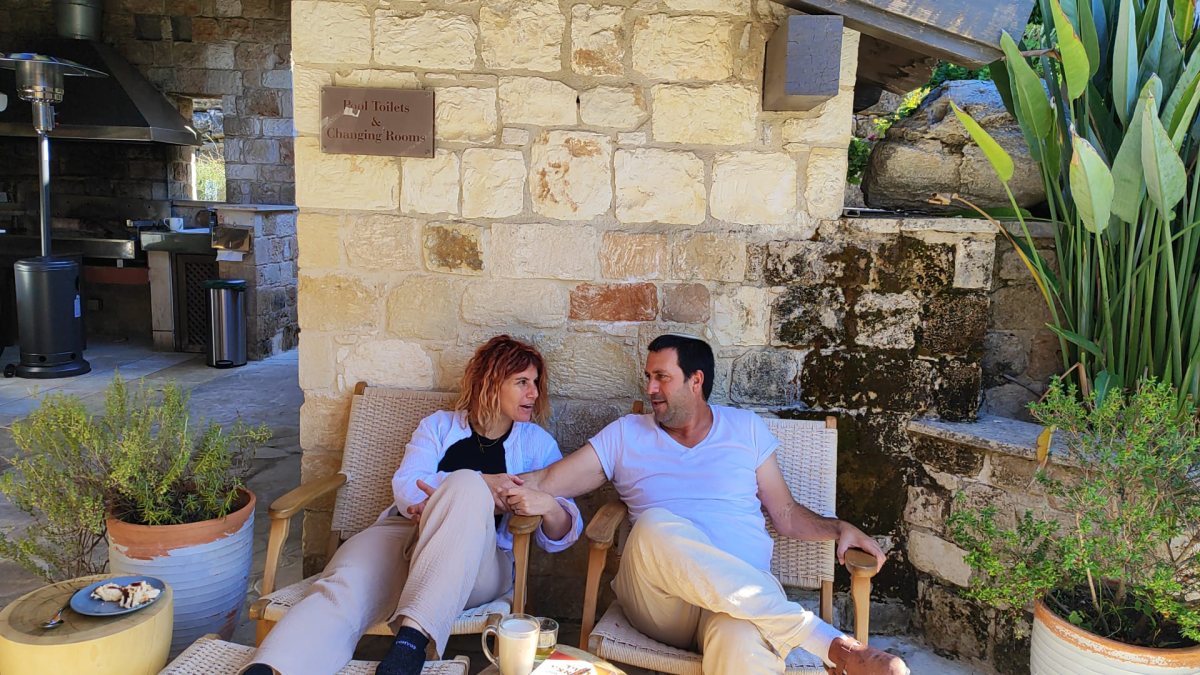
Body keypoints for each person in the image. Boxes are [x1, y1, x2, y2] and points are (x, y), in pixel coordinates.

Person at [502, 334, 909, 675]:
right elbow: (547, 481)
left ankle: (815, 638)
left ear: (695, 381)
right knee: (654, 526)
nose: (650, 389)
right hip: (661, 605)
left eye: (661, 377)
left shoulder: (746, 429)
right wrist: (479, 485)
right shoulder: (626, 434)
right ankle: (833, 645)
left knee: (741, 640)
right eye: (648, 377)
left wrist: (838, 527)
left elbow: (785, 514)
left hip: (740, 606)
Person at [244, 335, 583, 675]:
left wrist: (547, 506)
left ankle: (410, 645)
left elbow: (563, 532)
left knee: (466, 483)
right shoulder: (438, 426)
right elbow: (407, 484)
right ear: (490, 383)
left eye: (535, 383)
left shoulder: (537, 444)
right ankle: (271, 666)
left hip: (480, 561)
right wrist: (466, 492)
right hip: (405, 534)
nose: (534, 393)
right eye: (522, 382)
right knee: (342, 586)